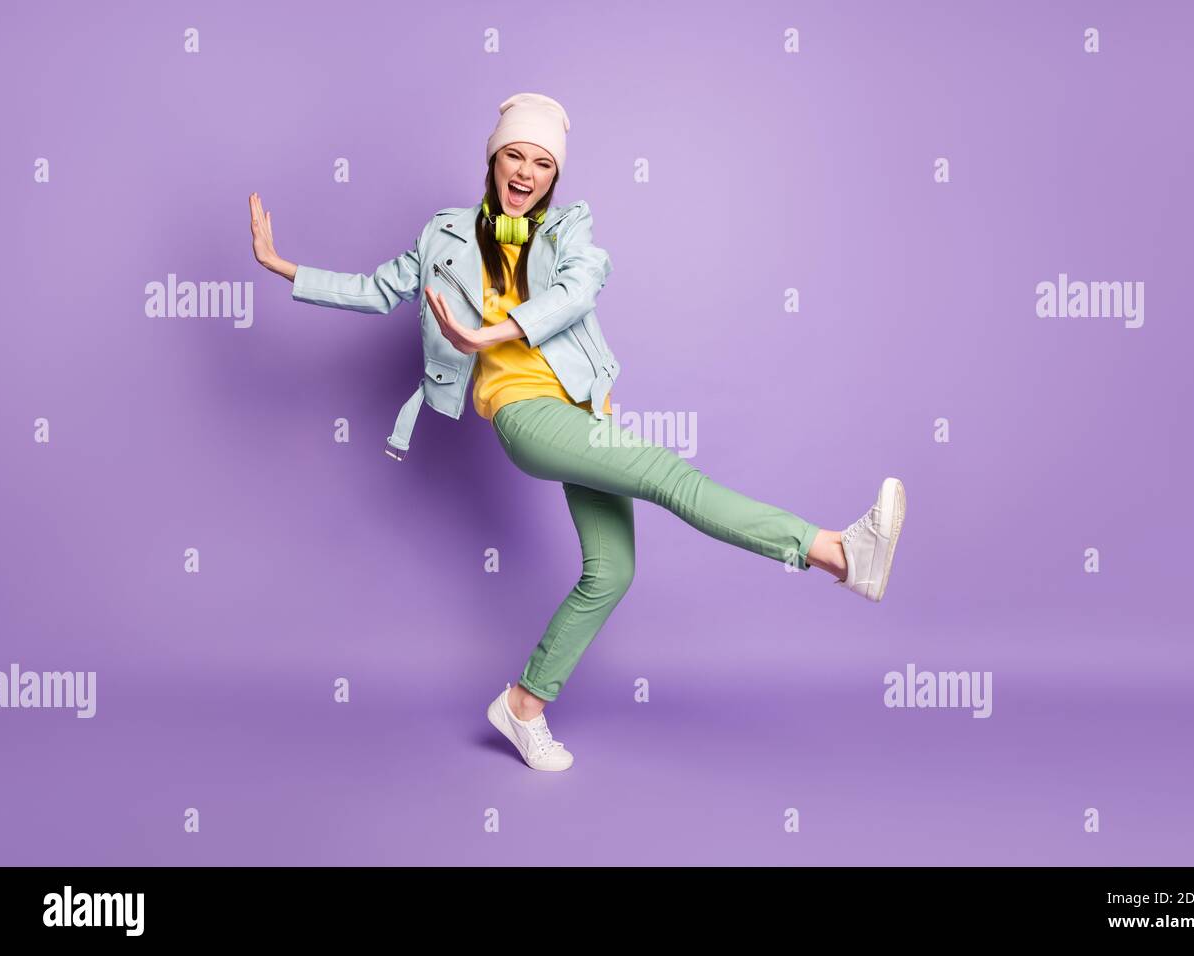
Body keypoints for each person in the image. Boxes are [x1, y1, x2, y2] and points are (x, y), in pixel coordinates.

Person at [248, 92, 907, 773]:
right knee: (666, 475)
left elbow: (578, 291)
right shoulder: (442, 236)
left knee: (612, 570)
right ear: (494, 160)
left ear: (553, 177)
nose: (526, 172)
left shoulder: (568, 233)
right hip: (524, 415)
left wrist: (489, 331)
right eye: (514, 156)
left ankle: (523, 705)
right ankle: (835, 553)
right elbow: (377, 289)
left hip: (585, 412)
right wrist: (284, 266)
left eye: (541, 163)